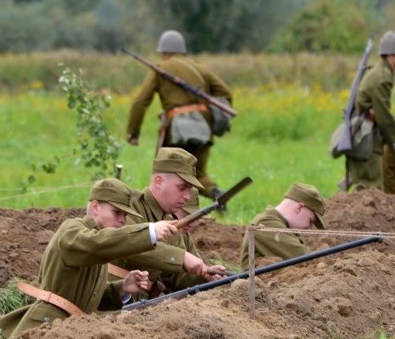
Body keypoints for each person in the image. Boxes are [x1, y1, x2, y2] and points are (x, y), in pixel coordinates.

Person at [0, 178, 179, 337]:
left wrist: (123, 288)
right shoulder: (73, 230)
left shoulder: (98, 246)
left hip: (68, 330)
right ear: (95, 207)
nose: (122, 220)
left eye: (125, 215)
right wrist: (149, 232)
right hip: (44, 328)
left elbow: (91, 296)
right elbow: (97, 244)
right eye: (116, 212)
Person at [126, 30, 233, 200]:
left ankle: (165, 214)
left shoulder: (161, 69)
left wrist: (133, 132)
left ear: (165, 52)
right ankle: (215, 192)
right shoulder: (200, 69)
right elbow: (226, 93)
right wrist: (211, 119)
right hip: (203, 129)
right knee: (198, 174)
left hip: (177, 131)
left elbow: (140, 101)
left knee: (164, 173)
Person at [114, 148, 227, 293]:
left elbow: (174, 279)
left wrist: (203, 277)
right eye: (182, 188)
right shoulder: (128, 206)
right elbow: (126, 243)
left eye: (189, 189)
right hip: (109, 304)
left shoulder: (171, 224)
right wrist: (181, 257)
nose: (187, 197)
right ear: (159, 182)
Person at [348, 31, 395, 190]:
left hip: (364, 134)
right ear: (392, 56)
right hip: (366, 137)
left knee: (367, 187)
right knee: (371, 190)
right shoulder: (383, 77)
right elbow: (383, 115)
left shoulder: (380, 72)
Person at [239, 183, 326, 269]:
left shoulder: (278, 224)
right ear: (299, 208)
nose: (309, 228)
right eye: (310, 221)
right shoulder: (265, 224)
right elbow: (304, 258)